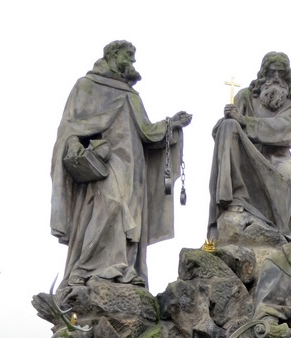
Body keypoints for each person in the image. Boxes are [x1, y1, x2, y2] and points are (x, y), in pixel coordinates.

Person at [51, 41, 192, 288]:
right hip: (105, 160)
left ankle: (124, 268)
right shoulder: (87, 86)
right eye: (129, 56)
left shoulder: (131, 95)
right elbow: (70, 125)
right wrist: (73, 144)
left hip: (134, 165)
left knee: (132, 215)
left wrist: (172, 124)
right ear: (113, 55)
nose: (133, 62)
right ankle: (87, 268)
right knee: (110, 204)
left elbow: (147, 132)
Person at [208, 52, 291, 243]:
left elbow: (284, 132)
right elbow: (221, 133)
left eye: (280, 73)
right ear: (263, 75)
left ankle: (281, 229)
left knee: (287, 172)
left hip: (276, 158)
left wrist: (244, 121)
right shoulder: (245, 97)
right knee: (228, 126)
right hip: (246, 158)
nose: (276, 77)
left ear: (287, 78)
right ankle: (233, 198)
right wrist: (226, 120)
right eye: (271, 72)